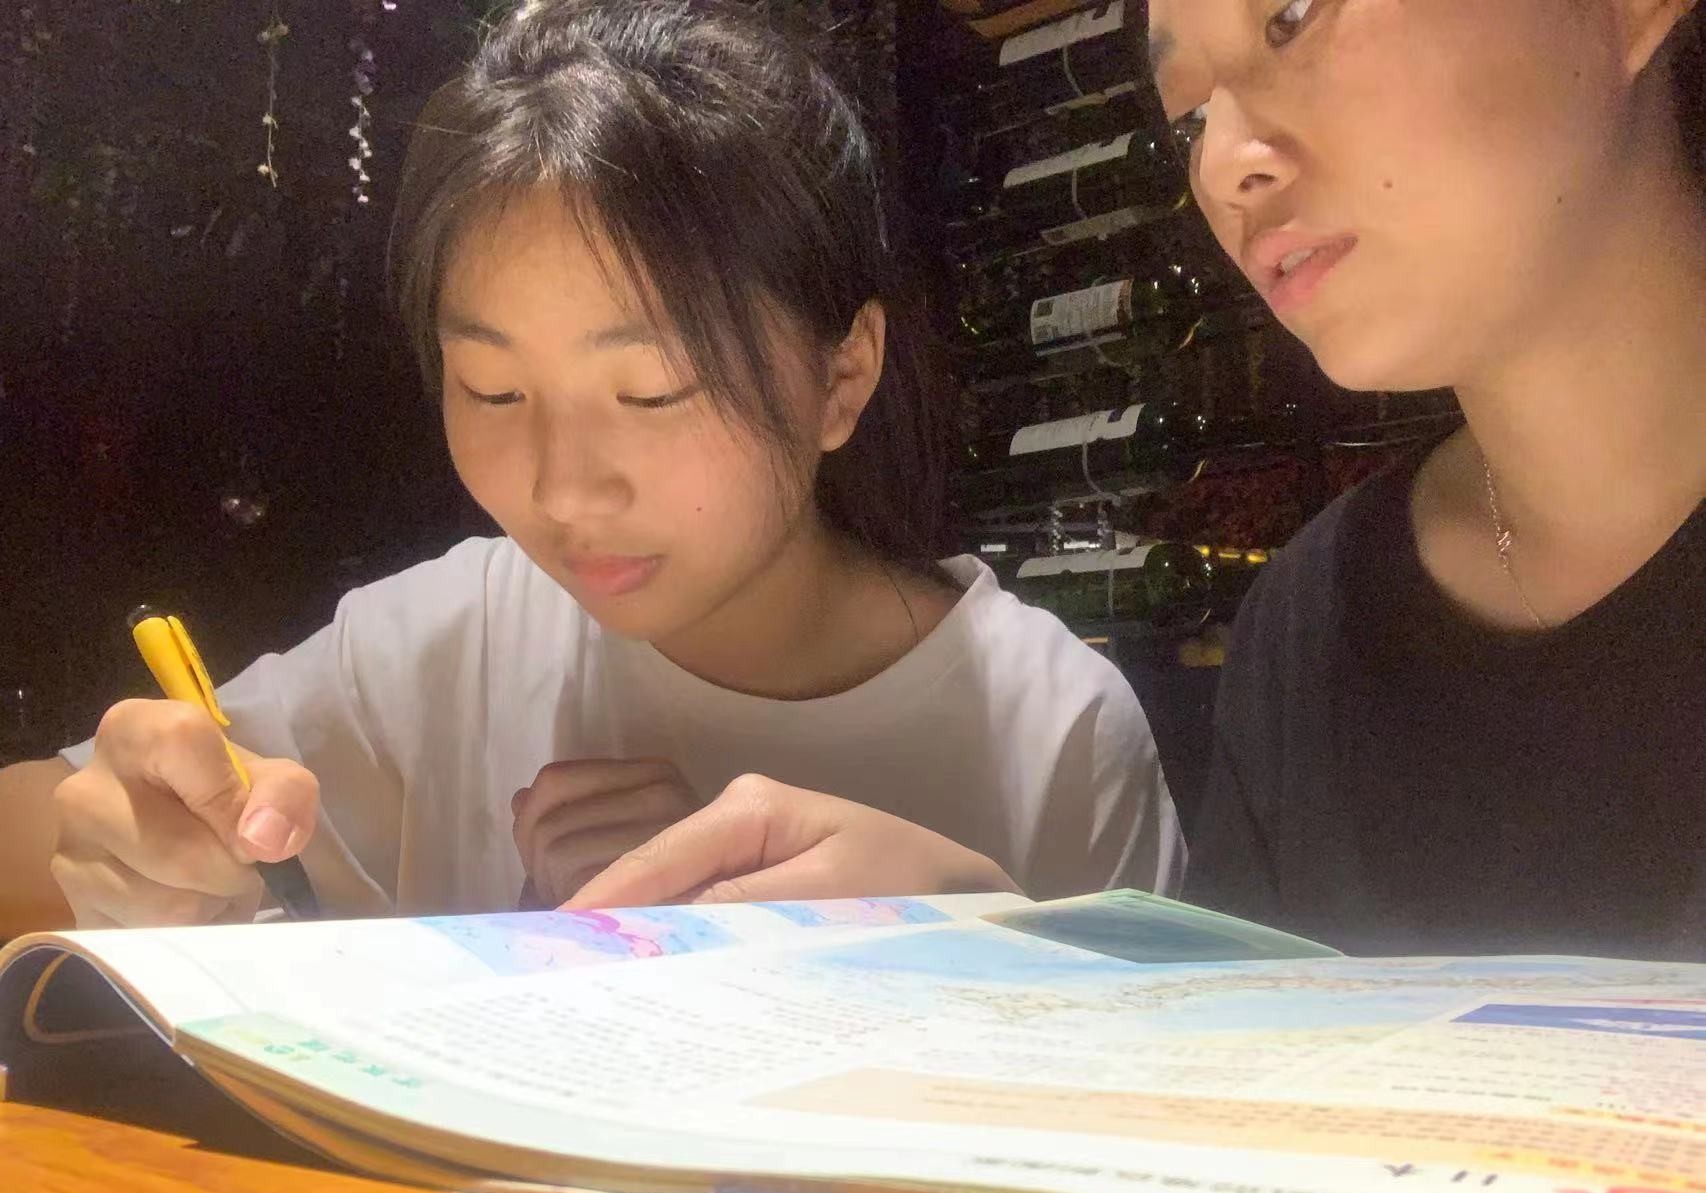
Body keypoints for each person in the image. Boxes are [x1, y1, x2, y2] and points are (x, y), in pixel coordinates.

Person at [0, 0, 1184, 938]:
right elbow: (41, 837)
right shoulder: (448, 644)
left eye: (652, 391)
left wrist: (965, 958)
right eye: (492, 390)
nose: (562, 491)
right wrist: (122, 837)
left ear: (841, 379)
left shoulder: (1051, 732)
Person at [569, 0, 1706, 962]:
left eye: (1291, 19)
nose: (1225, 163)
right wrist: (999, 945)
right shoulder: (1313, 625)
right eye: (1188, 116)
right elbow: (1275, 1084)